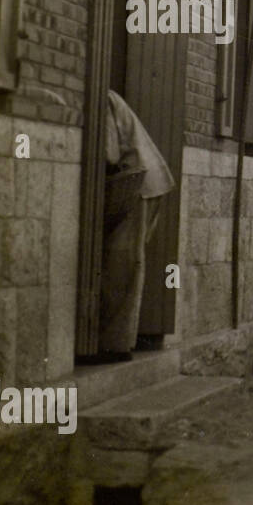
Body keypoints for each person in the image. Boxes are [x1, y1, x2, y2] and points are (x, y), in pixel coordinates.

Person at [87, 90, 175, 364]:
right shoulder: (107, 96)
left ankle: (116, 345)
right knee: (124, 264)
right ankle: (115, 341)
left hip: (137, 185)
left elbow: (109, 154)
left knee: (122, 265)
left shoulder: (100, 98)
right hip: (146, 181)